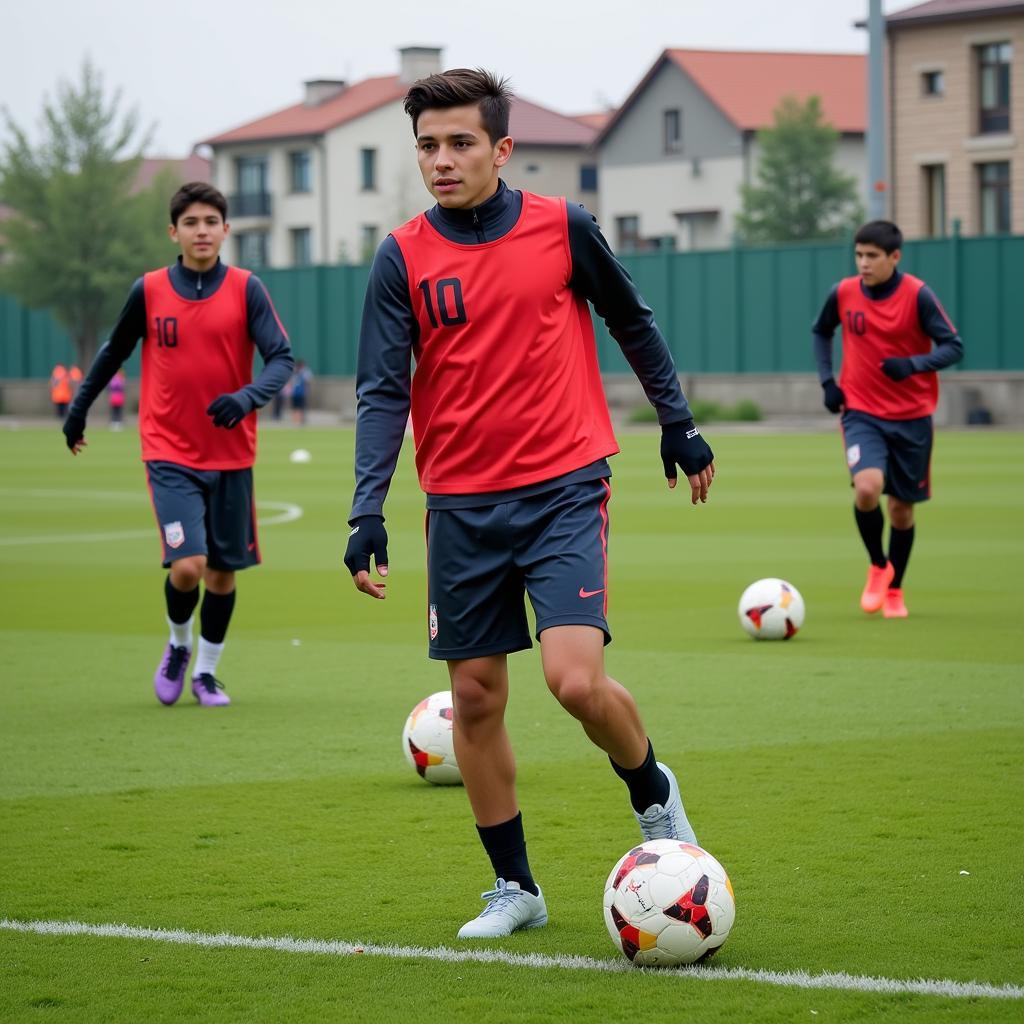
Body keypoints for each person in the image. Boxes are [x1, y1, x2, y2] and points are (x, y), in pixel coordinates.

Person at [343, 69, 715, 940]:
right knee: (473, 698)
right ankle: (516, 888)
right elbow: (380, 391)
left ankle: (655, 798)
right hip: (461, 505)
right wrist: (368, 511)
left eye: (460, 142)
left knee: (573, 679)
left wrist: (678, 422)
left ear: (502, 148)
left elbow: (634, 320)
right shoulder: (401, 255)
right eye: (427, 145)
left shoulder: (563, 226)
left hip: (564, 487)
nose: (442, 160)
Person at [62, 182, 294, 706]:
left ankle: (207, 674)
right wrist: (79, 409)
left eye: (211, 222)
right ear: (175, 232)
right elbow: (112, 351)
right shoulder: (148, 289)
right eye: (191, 223)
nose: (202, 231)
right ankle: (178, 645)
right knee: (188, 565)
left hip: (231, 454)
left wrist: (248, 397)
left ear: (225, 230)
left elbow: (281, 356)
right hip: (168, 451)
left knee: (221, 573)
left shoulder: (246, 288)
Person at [812, 219, 963, 619]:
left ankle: (895, 589)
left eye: (872, 256)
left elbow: (953, 346)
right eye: (859, 255)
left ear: (894, 257)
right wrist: (828, 381)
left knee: (901, 510)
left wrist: (913, 364)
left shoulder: (918, 296)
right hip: (861, 412)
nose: (863, 263)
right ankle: (879, 566)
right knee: (866, 488)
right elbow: (821, 332)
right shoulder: (843, 292)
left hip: (912, 418)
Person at [290, 359, 313, 425]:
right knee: (296, 407)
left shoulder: (304, 373)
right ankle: (296, 420)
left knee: (300, 407)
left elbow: (308, 381)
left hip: (300, 393)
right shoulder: (294, 373)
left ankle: (300, 420)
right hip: (296, 393)